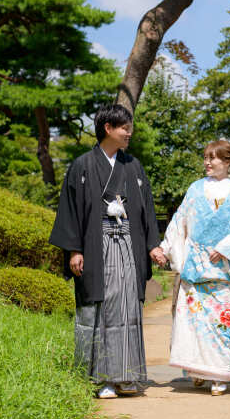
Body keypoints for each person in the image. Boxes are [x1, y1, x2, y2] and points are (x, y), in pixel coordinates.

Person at [49, 104, 167, 399]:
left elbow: (146, 210)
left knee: (128, 307)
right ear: (108, 129)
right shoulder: (82, 166)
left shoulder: (133, 166)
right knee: (99, 309)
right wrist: (75, 249)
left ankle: (127, 377)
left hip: (128, 245)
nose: (130, 133)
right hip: (95, 244)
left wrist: (153, 244)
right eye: (125, 128)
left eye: (129, 128)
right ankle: (101, 379)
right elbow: (71, 211)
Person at [156, 140, 230, 396]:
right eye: (205, 157)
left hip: (223, 269)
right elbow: (179, 221)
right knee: (194, 324)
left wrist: (224, 248)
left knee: (221, 325)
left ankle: (219, 375)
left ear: (228, 162)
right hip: (196, 265)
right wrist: (166, 248)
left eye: (213, 158)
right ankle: (197, 371)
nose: (207, 163)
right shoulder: (195, 189)